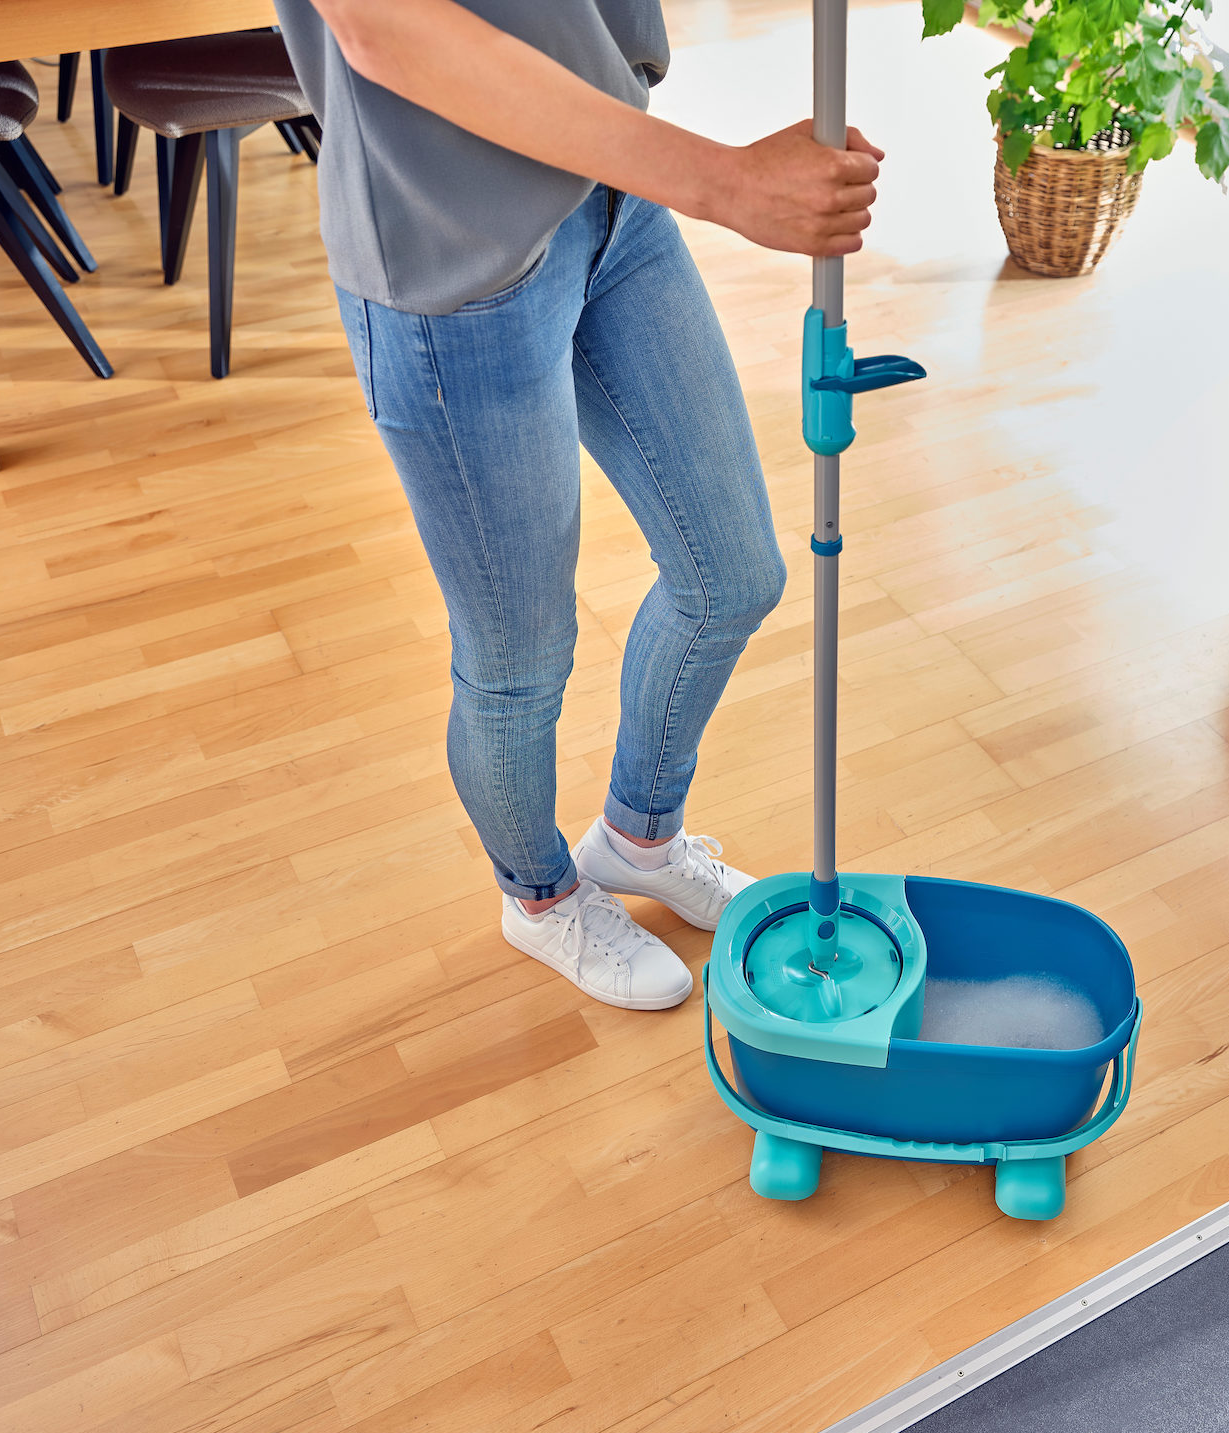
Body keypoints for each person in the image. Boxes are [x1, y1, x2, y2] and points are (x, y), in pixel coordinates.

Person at [274, 0, 881, 1011]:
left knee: (732, 576)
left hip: (612, 199)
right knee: (519, 663)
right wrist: (725, 182)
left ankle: (638, 840)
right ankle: (540, 896)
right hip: (452, 252)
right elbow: (388, 25)